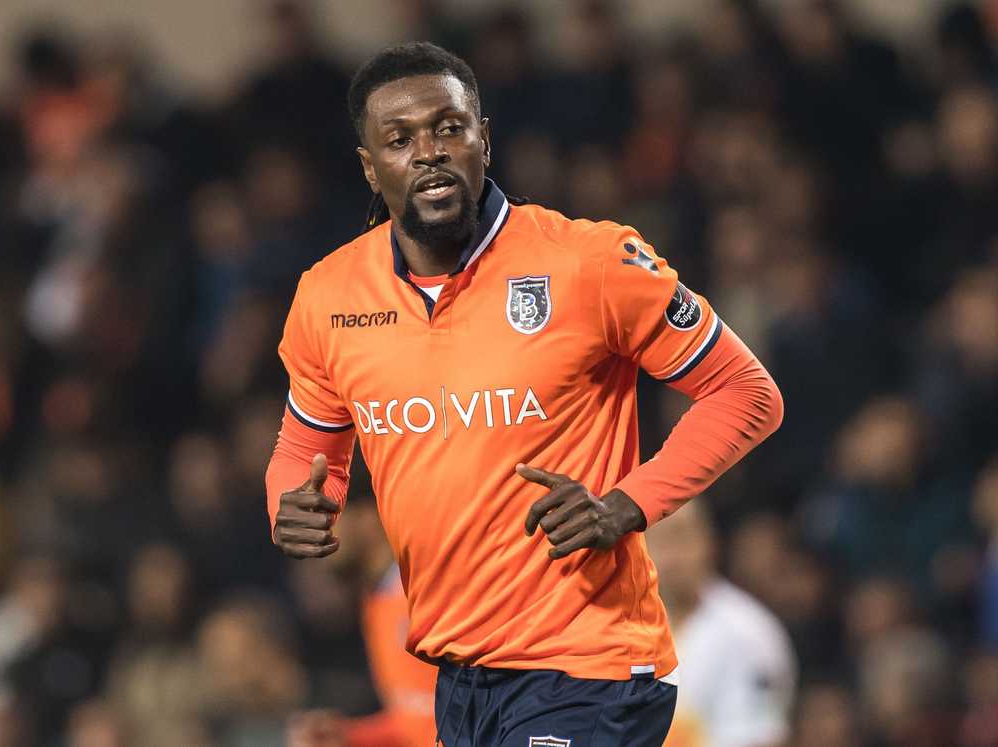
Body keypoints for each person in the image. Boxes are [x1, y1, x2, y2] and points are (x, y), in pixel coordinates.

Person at [265, 42, 783, 746]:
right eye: (400, 138)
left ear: (485, 135)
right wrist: (291, 502)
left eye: (449, 127)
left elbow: (745, 391)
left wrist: (628, 503)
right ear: (370, 165)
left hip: (587, 664)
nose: (429, 152)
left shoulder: (589, 262)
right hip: (460, 672)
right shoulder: (328, 295)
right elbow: (305, 447)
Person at [646, 501, 797, 747]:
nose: (671, 555)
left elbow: (761, 737)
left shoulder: (750, 632)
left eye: (681, 536)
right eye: (659, 539)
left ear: (709, 542)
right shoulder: (617, 630)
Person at [288, 501, 436, 747]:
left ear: (368, 519)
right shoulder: (374, 603)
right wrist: (350, 735)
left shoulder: (434, 589)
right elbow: (416, 717)